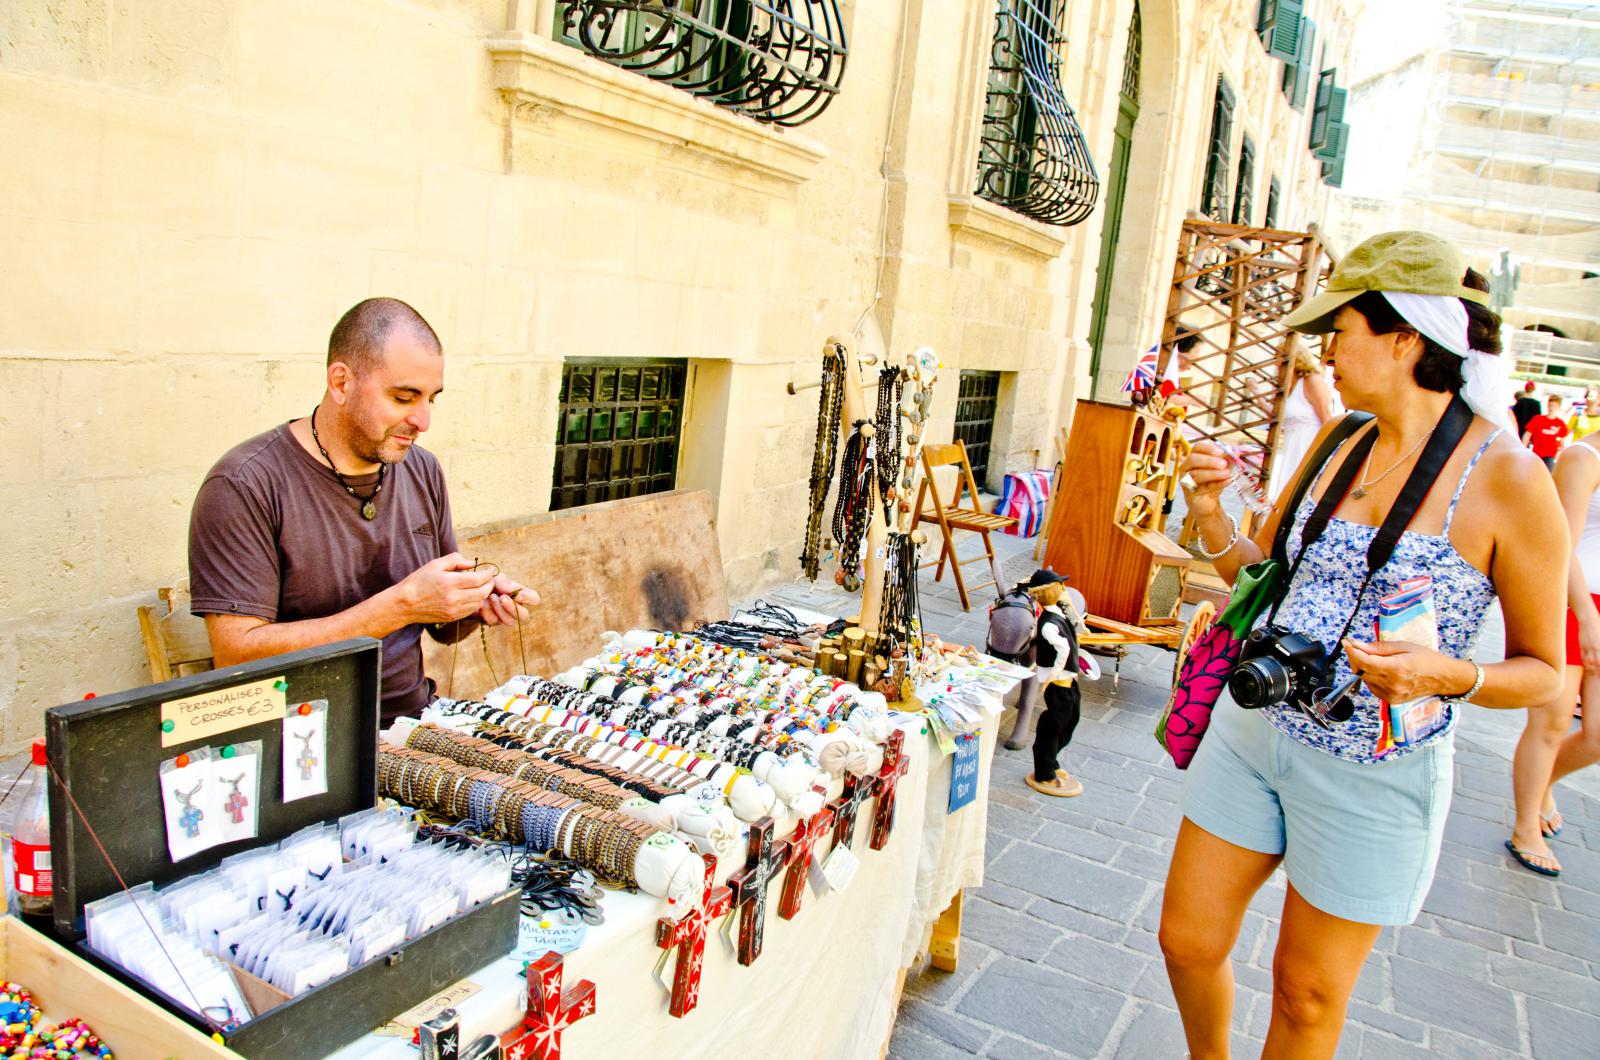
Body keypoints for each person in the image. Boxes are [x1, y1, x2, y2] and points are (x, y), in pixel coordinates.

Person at [1160, 232, 1565, 1059]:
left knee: (1306, 996)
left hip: (1376, 771)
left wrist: (1446, 675)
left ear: (1405, 337)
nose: (1324, 352)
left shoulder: (1511, 479)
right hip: (1255, 732)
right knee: (1187, 941)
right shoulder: (1340, 440)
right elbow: (1264, 573)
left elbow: (1545, 672)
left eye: (1337, 331)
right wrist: (1210, 519)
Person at [188, 298, 538, 724]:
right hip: (300, 741)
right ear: (341, 382)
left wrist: (472, 603)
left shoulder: (421, 469)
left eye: (431, 398)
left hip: (412, 723)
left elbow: (441, 628)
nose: (423, 420)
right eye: (404, 397)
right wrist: (398, 607)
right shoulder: (245, 484)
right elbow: (235, 654)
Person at [1507, 427, 1600, 876]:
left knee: (1597, 734)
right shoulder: (1583, 457)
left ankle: (1545, 783)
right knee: (1553, 720)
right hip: (1576, 600)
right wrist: (1587, 617)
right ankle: (1525, 825)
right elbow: (1563, 543)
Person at [1021, 569, 1086, 797]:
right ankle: (1045, 772)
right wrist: (1052, 676)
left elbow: (1073, 636)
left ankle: (1053, 762)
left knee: (1071, 720)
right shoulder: (1048, 623)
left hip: (1069, 680)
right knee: (1053, 726)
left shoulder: (1058, 612)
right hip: (1058, 682)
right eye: (1060, 584)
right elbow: (1064, 648)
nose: (1063, 587)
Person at [1269, 338, 1339, 501]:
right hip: (1291, 445)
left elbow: (1327, 418)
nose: (1276, 362)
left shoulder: (1312, 381)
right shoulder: (1288, 386)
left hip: (1308, 443)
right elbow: (1276, 417)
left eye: (1279, 356)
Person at [1523, 394, 1569, 469]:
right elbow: (1528, 434)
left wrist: (1563, 452)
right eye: (1550, 405)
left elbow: (1562, 439)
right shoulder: (1538, 419)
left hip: (1550, 455)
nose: (1551, 408)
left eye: (1554, 406)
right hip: (1536, 452)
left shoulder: (1560, 423)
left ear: (1558, 407)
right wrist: (1524, 447)